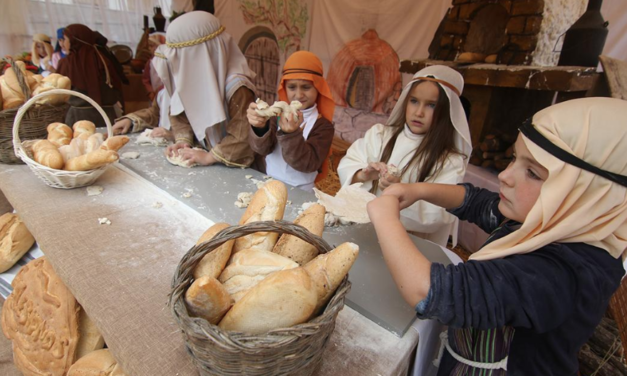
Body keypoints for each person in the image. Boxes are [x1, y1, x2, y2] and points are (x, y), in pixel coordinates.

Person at [367, 97, 627, 375]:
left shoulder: (564, 273)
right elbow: (476, 202)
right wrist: (417, 190)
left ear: (587, 196)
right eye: (514, 158)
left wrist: (385, 217)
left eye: (533, 172)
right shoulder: (542, 223)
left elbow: (432, 292)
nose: (505, 175)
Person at [338, 65, 472, 246]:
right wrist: (364, 174)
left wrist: (401, 193)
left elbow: (441, 213)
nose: (419, 112)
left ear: (447, 111)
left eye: (431, 105)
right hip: (364, 233)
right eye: (414, 101)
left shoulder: (449, 161)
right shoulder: (380, 136)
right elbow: (349, 162)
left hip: (409, 245)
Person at [112, 11, 257, 168]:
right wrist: (183, 142)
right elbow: (180, 114)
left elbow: (242, 135)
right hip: (207, 163)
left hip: (235, 166)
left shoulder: (237, 86)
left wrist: (210, 157)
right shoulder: (192, 81)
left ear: (200, 54)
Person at [246, 51, 335, 192]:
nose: (299, 95)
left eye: (306, 87)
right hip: (268, 182)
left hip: (300, 191)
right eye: (292, 87)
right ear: (284, 87)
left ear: (318, 88)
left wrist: (291, 134)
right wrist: (259, 127)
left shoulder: (323, 126)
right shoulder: (277, 115)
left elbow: (308, 164)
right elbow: (263, 149)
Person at [57, 24, 126, 128]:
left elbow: (58, 92)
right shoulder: (104, 58)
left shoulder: (67, 62)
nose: (64, 43)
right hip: (107, 117)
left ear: (74, 41)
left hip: (78, 120)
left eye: (65, 39)